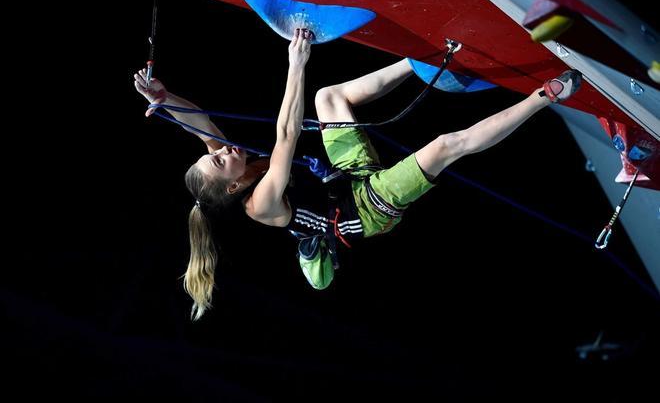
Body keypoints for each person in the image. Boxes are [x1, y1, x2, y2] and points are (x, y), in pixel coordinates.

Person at [134, 28, 582, 320]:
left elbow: (200, 124)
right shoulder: (259, 204)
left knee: (329, 99)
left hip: (344, 177)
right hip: (369, 210)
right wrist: (297, 64)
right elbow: (287, 135)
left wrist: (166, 96)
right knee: (447, 145)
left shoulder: (234, 165)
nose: (221, 149)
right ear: (231, 186)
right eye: (216, 159)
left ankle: (421, 60)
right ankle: (547, 95)